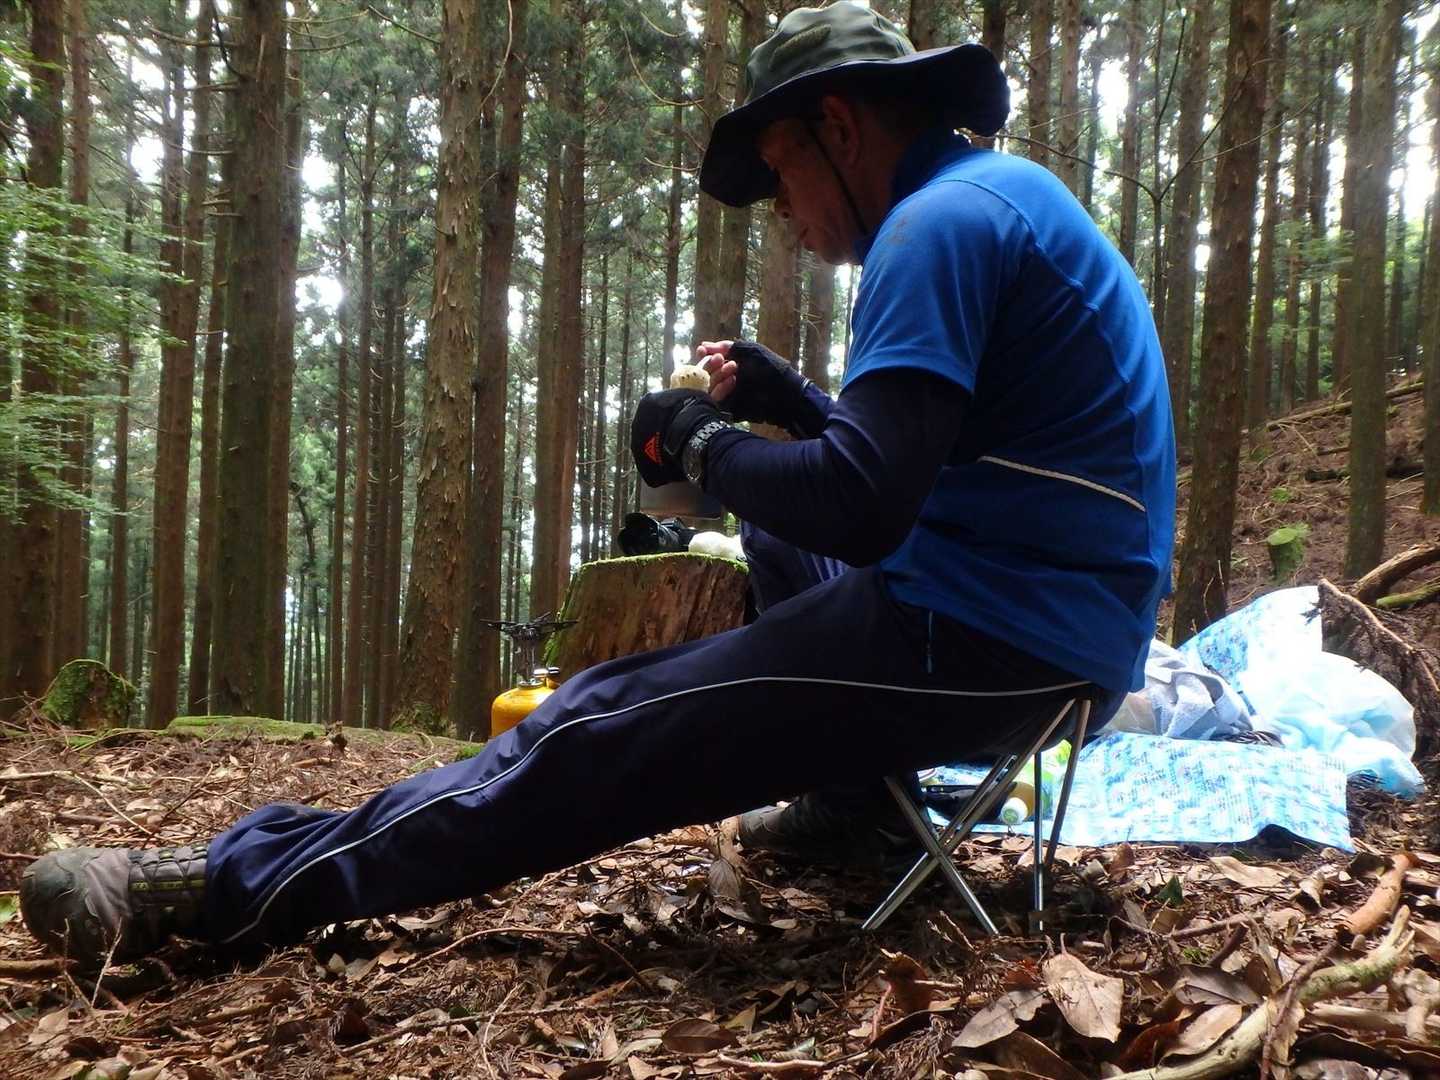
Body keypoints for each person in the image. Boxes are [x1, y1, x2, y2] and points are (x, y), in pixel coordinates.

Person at [20, 2, 1175, 969]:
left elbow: (864, 505)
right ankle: (859, 809)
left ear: (837, 125)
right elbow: (930, 469)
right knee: (777, 543)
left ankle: (234, 884)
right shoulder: (998, 200)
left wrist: (704, 445)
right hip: (1046, 621)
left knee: (597, 723)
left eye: (781, 174)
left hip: (989, 637)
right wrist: (793, 402)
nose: (783, 214)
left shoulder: (935, 229)